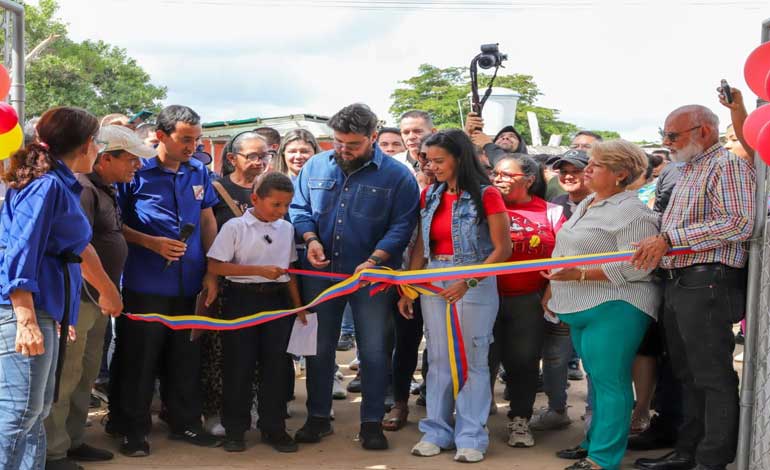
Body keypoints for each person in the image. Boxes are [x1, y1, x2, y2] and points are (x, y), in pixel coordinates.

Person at [289, 103, 419, 450]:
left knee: (375, 350)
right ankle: (318, 418)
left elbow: (403, 224)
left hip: (373, 279)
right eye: (338, 142)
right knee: (319, 349)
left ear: (374, 137)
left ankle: (372, 422)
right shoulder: (315, 165)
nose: (344, 150)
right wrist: (310, 239)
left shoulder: (398, 176)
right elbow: (298, 208)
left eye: (353, 145)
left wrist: (376, 259)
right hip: (320, 275)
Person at [632, 105, 755, 470]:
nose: (665, 142)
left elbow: (740, 223)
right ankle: (688, 452)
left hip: (707, 281)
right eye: (664, 134)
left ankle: (712, 458)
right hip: (681, 281)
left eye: (673, 135)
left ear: (703, 131)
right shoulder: (685, 169)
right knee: (686, 373)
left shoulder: (726, 165)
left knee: (710, 374)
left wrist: (671, 238)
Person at [0, 107, 123, 470]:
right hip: (24, 313)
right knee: (19, 413)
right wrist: (25, 318)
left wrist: (94, 296)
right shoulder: (47, 186)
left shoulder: (61, 183)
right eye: (98, 142)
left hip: (45, 310)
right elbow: (21, 251)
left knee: (35, 413)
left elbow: (76, 249)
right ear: (87, 145)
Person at [542, 139, 660, 470]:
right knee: (598, 377)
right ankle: (595, 442)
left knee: (610, 382)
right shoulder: (589, 203)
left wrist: (578, 274)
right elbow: (566, 253)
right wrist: (554, 288)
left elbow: (639, 264)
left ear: (621, 173)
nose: (587, 169)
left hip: (616, 305)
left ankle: (603, 459)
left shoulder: (633, 211)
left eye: (596, 165)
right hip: (581, 304)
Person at [112, 105, 220, 457]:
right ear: (161, 135)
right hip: (145, 283)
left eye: (197, 139)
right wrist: (150, 242)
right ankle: (132, 429)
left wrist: (212, 270)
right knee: (139, 359)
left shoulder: (199, 172)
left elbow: (207, 222)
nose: (192, 146)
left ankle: (185, 422)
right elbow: (114, 225)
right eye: (185, 139)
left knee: (185, 357)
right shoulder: (135, 172)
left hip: (189, 284)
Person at [399, 129, 511, 463]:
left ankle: (472, 436)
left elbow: (502, 249)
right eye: (428, 160)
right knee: (438, 359)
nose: (431, 167)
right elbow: (421, 245)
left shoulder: (487, 194)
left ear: (459, 159)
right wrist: (410, 286)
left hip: (474, 281)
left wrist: (469, 280)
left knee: (473, 360)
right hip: (434, 280)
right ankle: (435, 431)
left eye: (439, 160)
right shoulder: (429, 195)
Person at [43, 125, 151, 470]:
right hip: (82, 299)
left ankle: (73, 440)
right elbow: (80, 248)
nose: (136, 167)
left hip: (97, 300)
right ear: (106, 158)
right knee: (66, 375)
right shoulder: (83, 189)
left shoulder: (105, 188)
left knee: (85, 373)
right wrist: (106, 290)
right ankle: (53, 452)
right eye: (131, 160)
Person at [206, 172, 308, 453]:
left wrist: (298, 306)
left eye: (286, 205)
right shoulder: (235, 227)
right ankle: (235, 429)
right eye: (275, 204)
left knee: (276, 366)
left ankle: (273, 428)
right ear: (255, 199)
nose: (282, 211)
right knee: (239, 366)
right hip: (242, 300)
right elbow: (216, 266)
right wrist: (259, 271)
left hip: (276, 303)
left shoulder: (285, 228)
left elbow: (290, 273)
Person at [487, 154, 565, 448]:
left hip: (528, 300)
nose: (499, 180)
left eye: (508, 175)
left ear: (530, 179)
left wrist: (549, 290)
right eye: (496, 174)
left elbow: (563, 255)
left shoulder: (552, 212)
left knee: (524, 362)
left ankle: (519, 419)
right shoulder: (486, 208)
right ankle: (477, 418)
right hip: (486, 298)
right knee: (484, 360)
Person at [200, 131, 272, 436]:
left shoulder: (271, 188)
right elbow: (207, 233)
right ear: (232, 158)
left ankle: (248, 406)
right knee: (219, 350)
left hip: (262, 284)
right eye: (252, 156)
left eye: (264, 155)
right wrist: (211, 277)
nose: (259, 162)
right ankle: (215, 411)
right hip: (224, 282)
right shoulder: (216, 188)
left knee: (255, 352)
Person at [531, 149, 591, 433]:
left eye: (576, 170)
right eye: (562, 170)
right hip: (558, 293)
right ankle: (557, 409)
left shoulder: (604, 206)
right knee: (554, 357)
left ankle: (594, 414)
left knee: (593, 360)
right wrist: (551, 289)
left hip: (595, 293)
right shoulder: (553, 204)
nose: (568, 176)